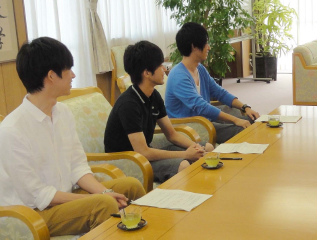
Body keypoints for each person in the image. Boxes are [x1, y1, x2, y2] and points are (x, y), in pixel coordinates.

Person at [0, 37, 146, 237]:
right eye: (69, 69)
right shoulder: (12, 130)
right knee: (103, 205)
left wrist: (103, 192)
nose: (74, 74)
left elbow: (78, 166)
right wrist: (100, 198)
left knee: (130, 186)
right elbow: (38, 195)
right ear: (51, 76)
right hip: (32, 213)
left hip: (65, 195)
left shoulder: (62, 113)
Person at [104, 40, 214, 183]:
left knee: (207, 148)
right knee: (184, 164)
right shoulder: (128, 104)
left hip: (144, 155)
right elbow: (143, 151)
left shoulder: (153, 95)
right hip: (128, 161)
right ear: (147, 73)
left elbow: (172, 134)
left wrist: (193, 147)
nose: (164, 69)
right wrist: (186, 154)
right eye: (160, 66)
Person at [165, 22, 260, 144]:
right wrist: (236, 120)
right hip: (192, 127)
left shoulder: (200, 69)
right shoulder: (178, 76)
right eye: (205, 44)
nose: (208, 47)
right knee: (242, 130)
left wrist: (245, 107)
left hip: (204, 121)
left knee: (251, 118)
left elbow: (219, 92)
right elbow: (201, 107)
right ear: (194, 46)